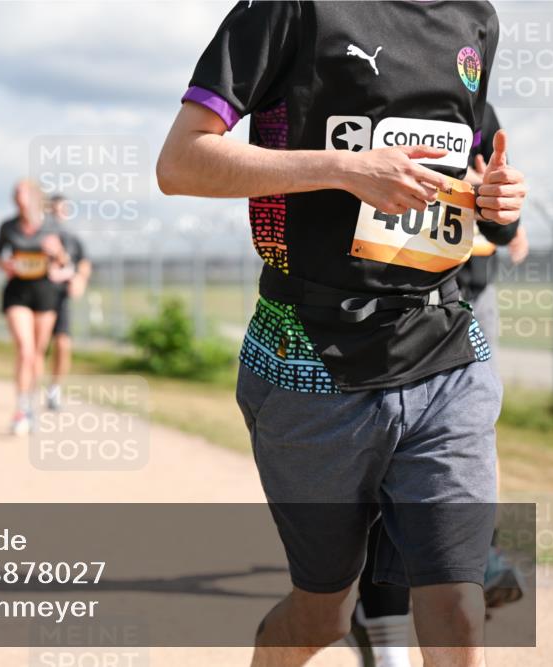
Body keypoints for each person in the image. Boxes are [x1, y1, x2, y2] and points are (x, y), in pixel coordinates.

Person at [157, 3, 526, 666]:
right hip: (310, 358)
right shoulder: (290, 8)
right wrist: (346, 168)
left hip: (443, 347)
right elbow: (181, 163)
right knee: (321, 613)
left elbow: (465, 174)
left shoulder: (476, 17)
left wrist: (496, 202)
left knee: (459, 608)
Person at [349, 102, 528, 667]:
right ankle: (377, 611)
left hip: (467, 309)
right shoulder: (362, 97)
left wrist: (499, 207)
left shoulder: (472, 106)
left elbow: (504, 219)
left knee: (470, 436)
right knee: (393, 462)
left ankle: (480, 551)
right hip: (386, 317)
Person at [0, 180, 68, 434]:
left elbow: (65, 261)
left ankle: (31, 406)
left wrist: (57, 252)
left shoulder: (52, 226)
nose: (17, 196)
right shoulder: (7, 226)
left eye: (22, 192)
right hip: (17, 291)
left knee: (37, 352)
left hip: (44, 291)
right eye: (15, 192)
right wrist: (5, 265)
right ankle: (20, 408)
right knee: (24, 350)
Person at [44, 195, 91, 410]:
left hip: (61, 297)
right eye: (53, 210)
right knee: (37, 346)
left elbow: (83, 263)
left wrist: (80, 279)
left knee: (63, 343)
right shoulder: (39, 235)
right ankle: (27, 390)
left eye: (61, 210)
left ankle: (55, 388)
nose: (57, 215)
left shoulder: (72, 238)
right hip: (39, 296)